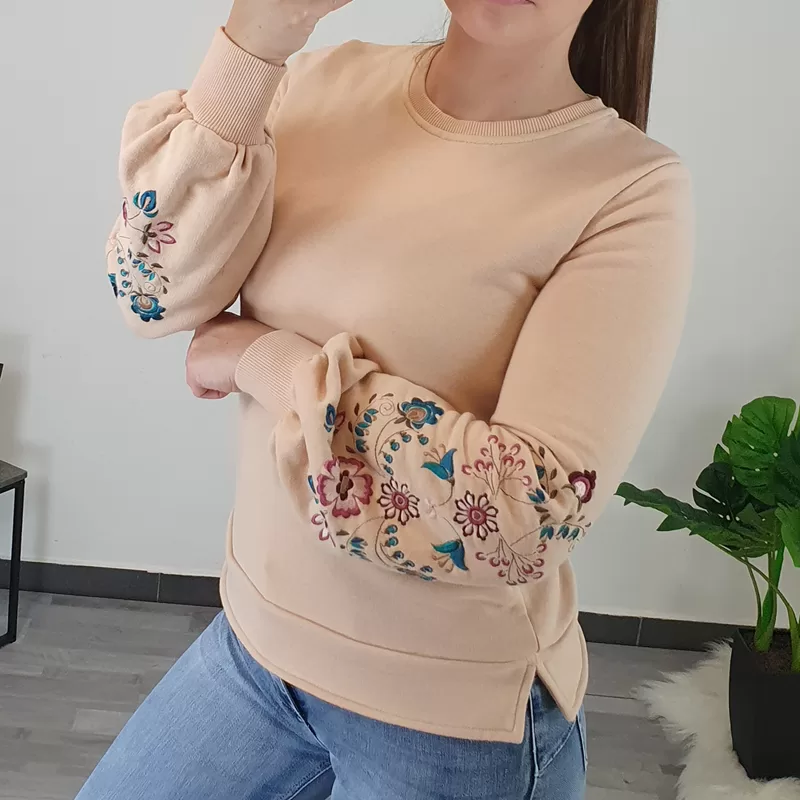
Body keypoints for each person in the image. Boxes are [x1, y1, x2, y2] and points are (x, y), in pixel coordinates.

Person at [82, 0, 693, 797]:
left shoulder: (629, 189)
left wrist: (264, 358)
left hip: (452, 726)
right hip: (254, 651)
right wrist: (256, 41)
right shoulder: (323, 81)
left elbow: (523, 517)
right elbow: (148, 288)